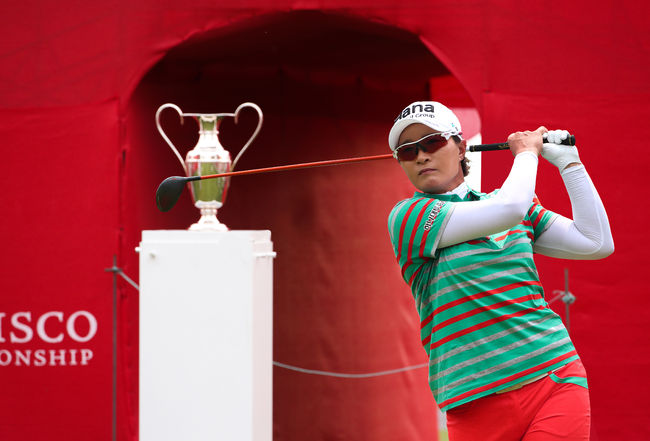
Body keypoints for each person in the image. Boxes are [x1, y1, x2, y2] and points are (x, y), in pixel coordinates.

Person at [387, 101, 614, 441]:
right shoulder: (408, 217)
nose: (421, 156)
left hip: (552, 375)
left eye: (432, 142)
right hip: (473, 404)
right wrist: (527, 153)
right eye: (408, 151)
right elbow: (509, 208)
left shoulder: (511, 205)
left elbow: (596, 242)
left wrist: (570, 164)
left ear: (461, 147)